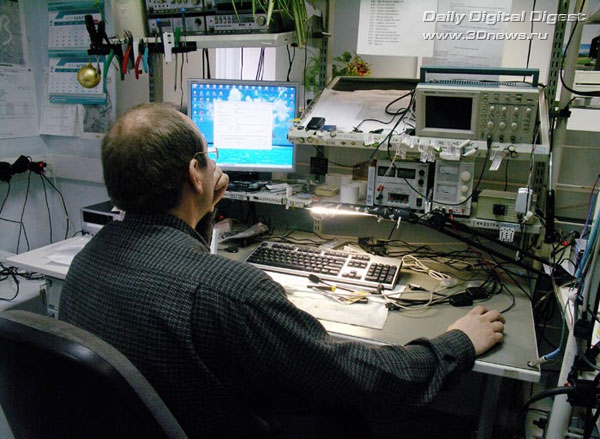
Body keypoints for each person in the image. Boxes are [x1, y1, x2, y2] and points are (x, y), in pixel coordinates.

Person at [59, 103, 505, 439]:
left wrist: (204, 208)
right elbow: (356, 375)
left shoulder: (87, 262)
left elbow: (178, 258)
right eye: (208, 156)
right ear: (196, 174)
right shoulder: (229, 290)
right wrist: (456, 344)